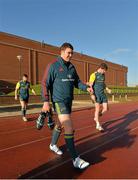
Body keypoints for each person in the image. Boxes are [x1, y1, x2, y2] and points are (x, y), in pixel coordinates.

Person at [37, 42, 92, 169]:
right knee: (68, 125)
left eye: (72, 53)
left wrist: (86, 88)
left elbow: (77, 82)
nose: (70, 55)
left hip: (68, 102)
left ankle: (52, 144)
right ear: (61, 52)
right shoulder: (53, 66)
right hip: (58, 101)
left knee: (60, 124)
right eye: (68, 53)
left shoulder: (72, 67)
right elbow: (44, 83)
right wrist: (46, 101)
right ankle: (75, 159)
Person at [89, 63, 112, 131]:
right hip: (96, 94)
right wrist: (92, 95)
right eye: (104, 70)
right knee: (97, 108)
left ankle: (97, 117)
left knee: (106, 108)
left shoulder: (103, 75)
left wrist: (107, 89)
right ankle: (98, 124)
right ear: (101, 69)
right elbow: (90, 86)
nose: (105, 72)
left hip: (103, 94)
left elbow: (103, 83)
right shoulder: (94, 75)